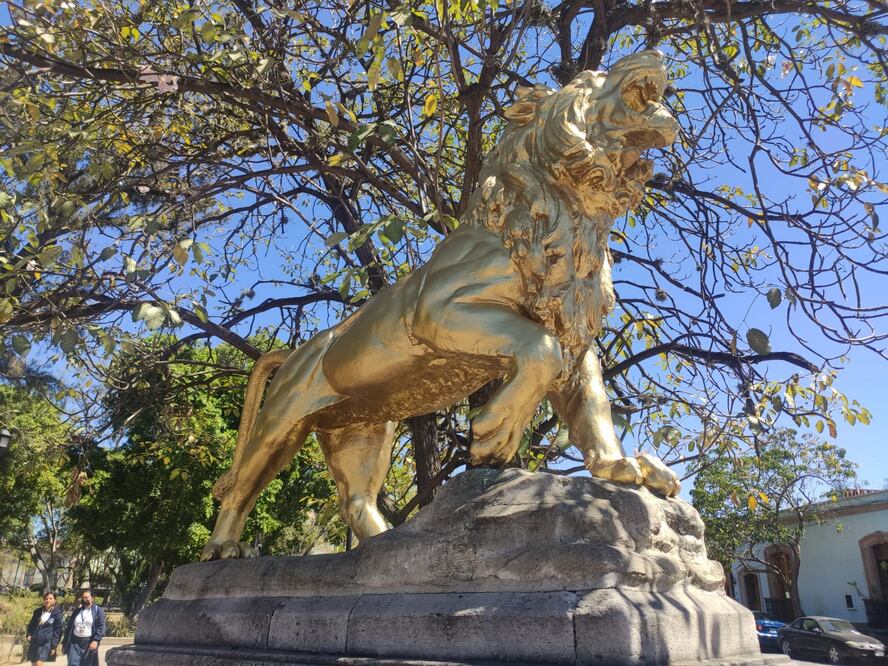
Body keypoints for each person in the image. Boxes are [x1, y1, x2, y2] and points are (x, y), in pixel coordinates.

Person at [62, 589, 106, 666]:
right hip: (75, 642)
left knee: (87, 664)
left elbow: (101, 626)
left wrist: (96, 640)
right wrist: (64, 642)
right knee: (73, 663)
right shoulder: (77, 611)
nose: (85, 599)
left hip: (88, 642)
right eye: (83, 597)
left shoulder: (98, 611)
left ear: (92, 598)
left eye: (87, 597)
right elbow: (69, 627)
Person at [25, 591, 63, 665]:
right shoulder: (37, 611)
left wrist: (54, 646)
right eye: (46, 598)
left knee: (39, 663)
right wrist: (29, 634)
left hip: (46, 643)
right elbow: (31, 625)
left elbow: (57, 631)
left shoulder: (57, 613)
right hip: (35, 640)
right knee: (33, 663)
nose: (48, 600)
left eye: (50, 598)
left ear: (54, 600)